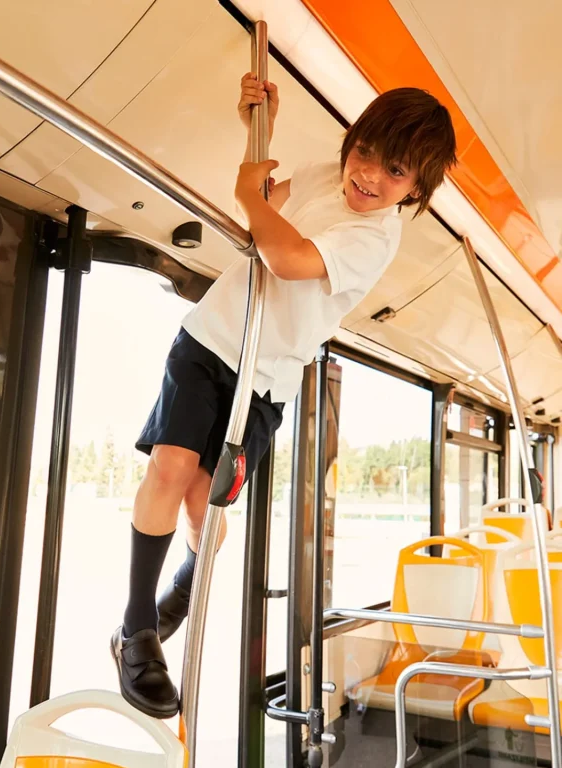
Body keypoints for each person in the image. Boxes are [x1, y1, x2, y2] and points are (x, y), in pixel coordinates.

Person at [111, 73, 457, 718]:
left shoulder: (376, 238)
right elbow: (274, 205)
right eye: (365, 155)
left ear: (416, 190)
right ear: (351, 143)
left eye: (395, 172)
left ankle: (183, 584)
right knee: (171, 466)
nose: (369, 177)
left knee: (202, 505)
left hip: (266, 377)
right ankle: (137, 631)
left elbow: (290, 255)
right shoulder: (330, 171)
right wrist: (256, 131)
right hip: (211, 340)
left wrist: (250, 195)